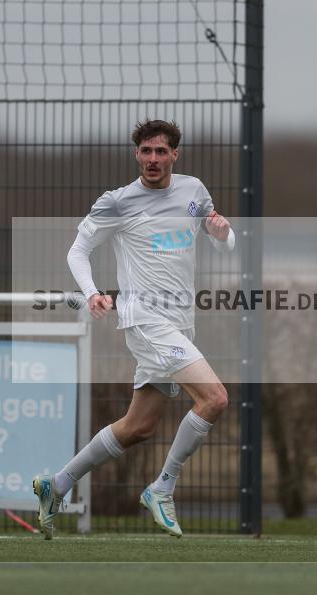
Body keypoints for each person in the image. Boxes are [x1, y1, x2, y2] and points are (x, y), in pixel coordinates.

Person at [33, 119, 235, 539]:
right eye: (146, 151)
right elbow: (78, 251)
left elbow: (222, 240)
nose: (153, 160)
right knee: (214, 398)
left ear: (175, 154)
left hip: (180, 323)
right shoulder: (118, 201)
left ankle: (57, 485)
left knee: (138, 426)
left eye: (161, 152)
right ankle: (163, 488)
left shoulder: (193, 191)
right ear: (136, 154)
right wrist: (92, 293)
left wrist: (223, 233)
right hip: (145, 320)